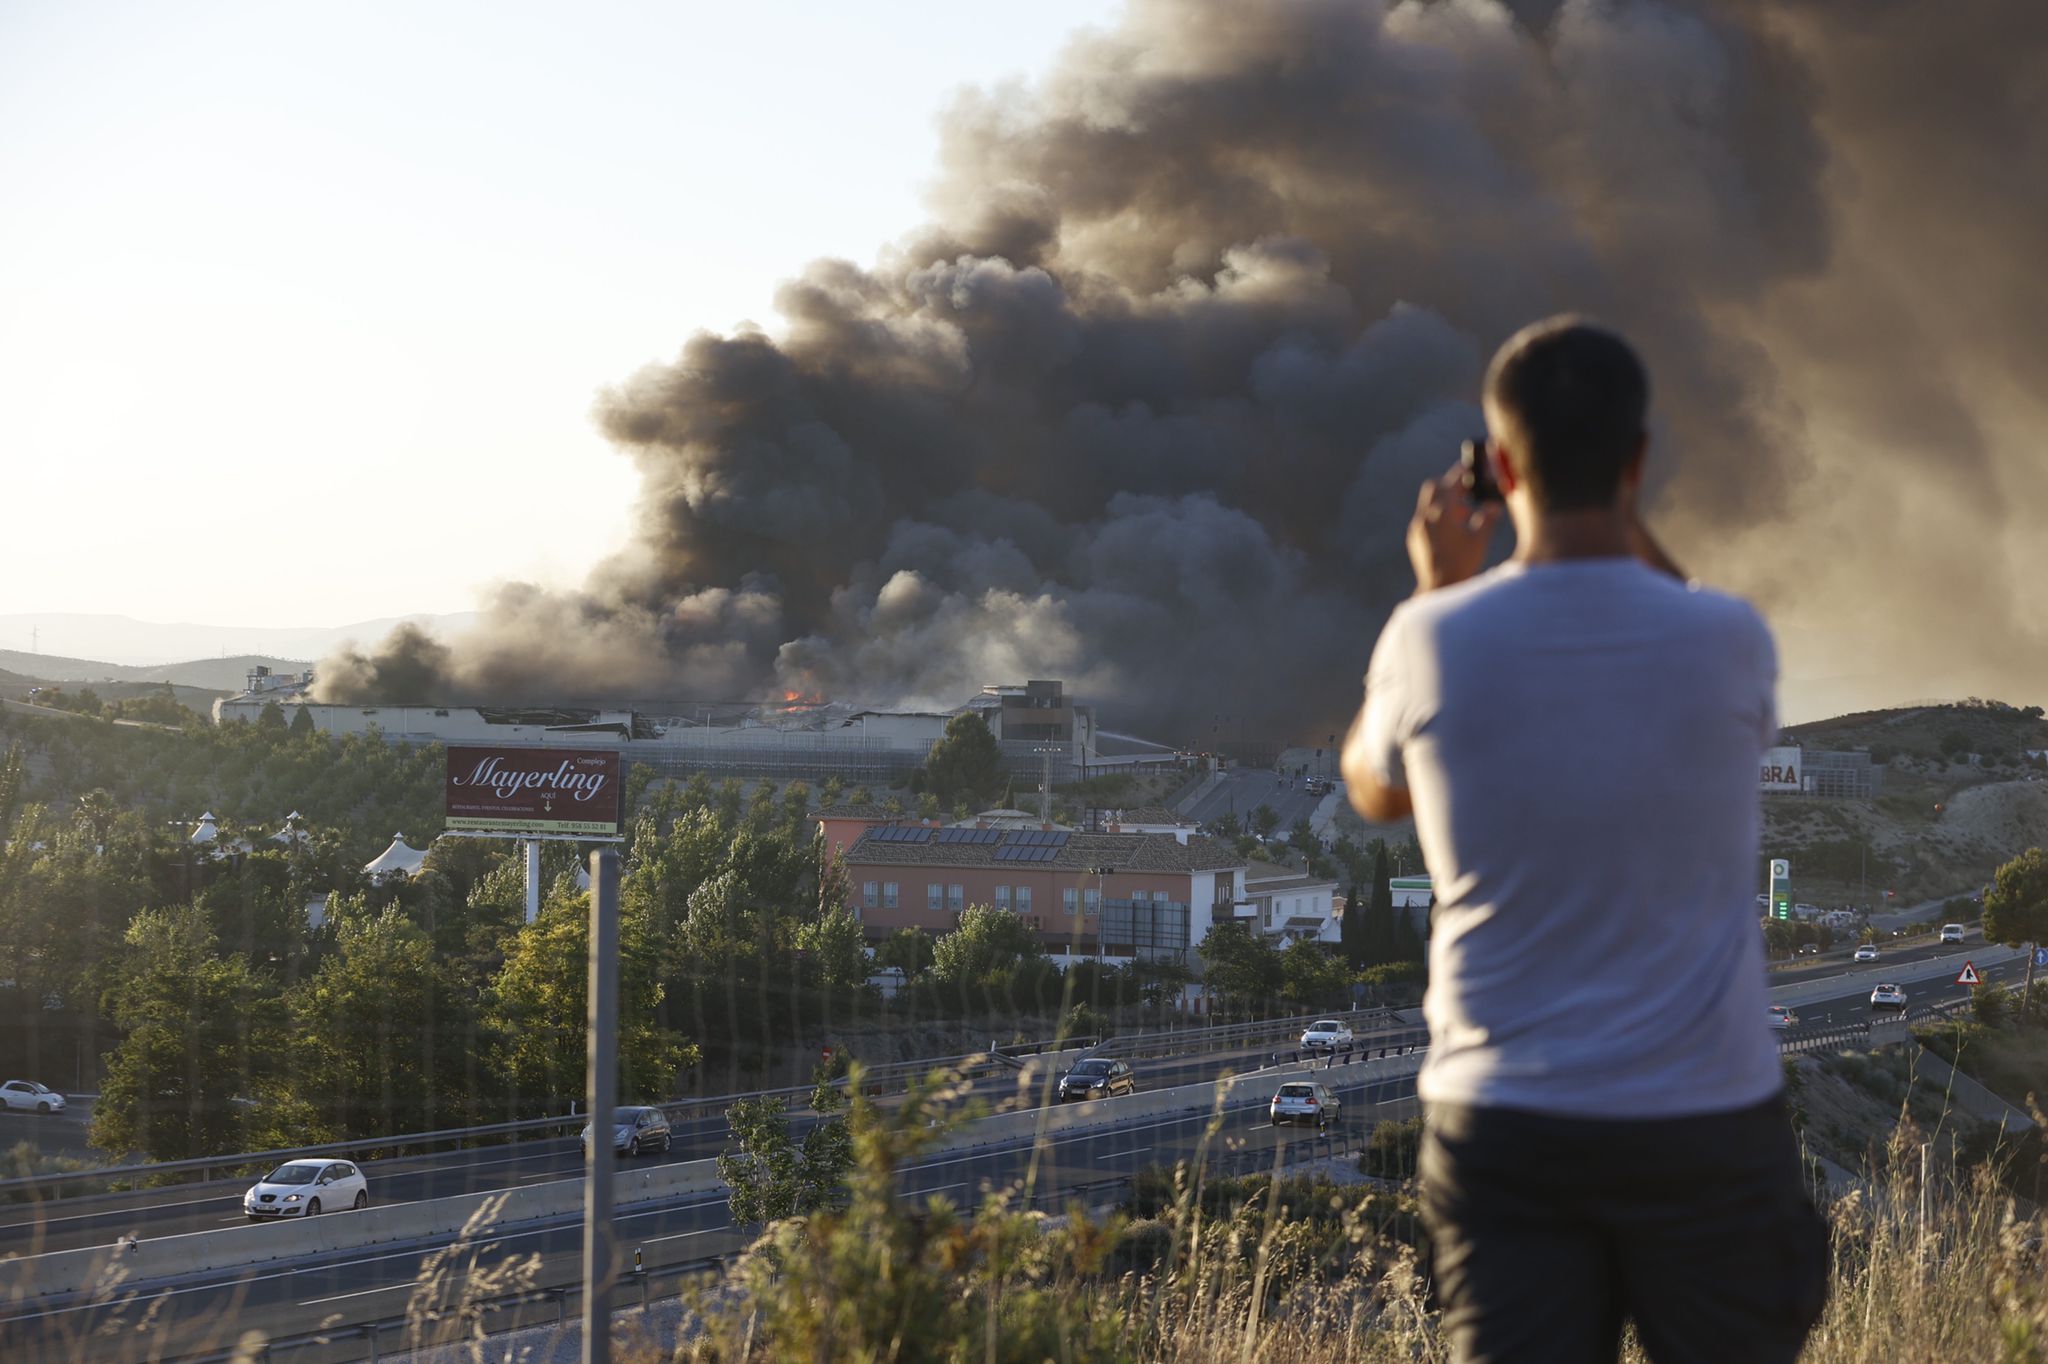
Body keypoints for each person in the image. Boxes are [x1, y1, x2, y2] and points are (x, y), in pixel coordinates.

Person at [1340, 317, 1827, 1363]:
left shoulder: (1427, 636)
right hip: (1703, 1120)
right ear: (1637, 462)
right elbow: (1673, 597)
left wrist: (1436, 581)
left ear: (1500, 465)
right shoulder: (1727, 638)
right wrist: (1621, 517)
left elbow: (1370, 790)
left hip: (1504, 1120)